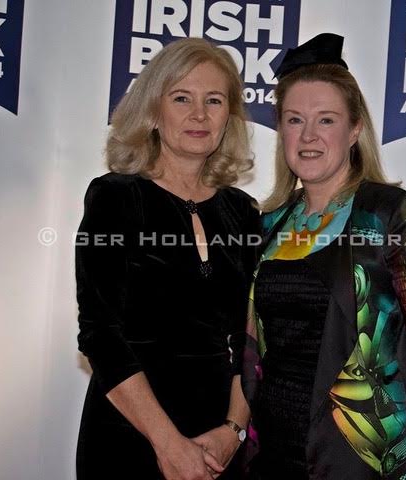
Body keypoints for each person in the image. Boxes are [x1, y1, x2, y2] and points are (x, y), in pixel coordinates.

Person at [242, 33, 406, 479]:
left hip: (350, 465)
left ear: (355, 129)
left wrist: (381, 433)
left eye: (326, 120)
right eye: (293, 120)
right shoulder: (267, 226)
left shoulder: (392, 215)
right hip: (268, 457)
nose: (307, 136)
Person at [75, 38, 260, 480]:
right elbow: (100, 336)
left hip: (219, 443)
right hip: (129, 436)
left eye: (214, 101)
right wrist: (168, 444)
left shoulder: (244, 212)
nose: (199, 115)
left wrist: (233, 431)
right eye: (182, 98)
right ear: (154, 110)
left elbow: (254, 337)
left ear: (228, 117)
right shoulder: (115, 197)